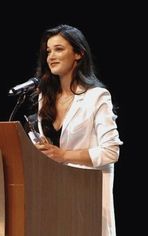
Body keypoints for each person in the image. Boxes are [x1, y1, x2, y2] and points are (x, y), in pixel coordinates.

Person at [30, 24, 123, 236]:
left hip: (86, 199)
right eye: (48, 51)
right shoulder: (46, 98)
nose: (51, 56)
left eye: (59, 49)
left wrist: (63, 155)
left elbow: (111, 152)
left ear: (79, 54)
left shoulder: (97, 97)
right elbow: (53, 150)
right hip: (53, 195)